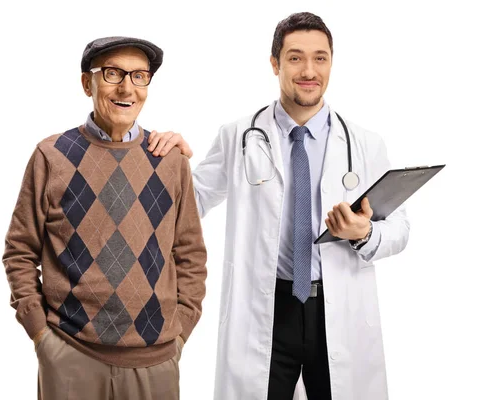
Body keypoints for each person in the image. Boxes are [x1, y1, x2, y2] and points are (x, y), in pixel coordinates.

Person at [148, 12, 410, 400]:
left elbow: (400, 230)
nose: (309, 70)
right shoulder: (239, 135)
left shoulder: (365, 144)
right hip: (266, 310)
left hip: (336, 311)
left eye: (320, 58)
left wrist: (364, 232)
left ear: (331, 63)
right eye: (295, 57)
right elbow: (191, 202)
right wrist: (169, 166)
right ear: (275, 64)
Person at [2, 36, 207, 400]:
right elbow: (20, 251)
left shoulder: (171, 160)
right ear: (87, 83)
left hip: (156, 361)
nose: (127, 87)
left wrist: (181, 332)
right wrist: (41, 335)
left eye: (139, 76)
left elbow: (190, 254)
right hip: (71, 357)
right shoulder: (51, 156)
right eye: (112, 73)